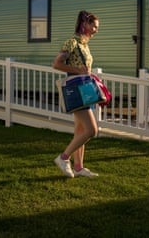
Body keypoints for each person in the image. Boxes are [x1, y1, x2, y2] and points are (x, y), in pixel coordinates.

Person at [52, 10, 100, 178]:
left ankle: (79, 168)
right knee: (92, 131)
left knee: (81, 132)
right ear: (84, 24)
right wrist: (78, 71)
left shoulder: (85, 45)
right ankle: (63, 158)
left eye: (97, 27)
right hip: (76, 91)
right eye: (93, 26)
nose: (96, 30)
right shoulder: (71, 43)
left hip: (85, 90)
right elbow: (57, 64)